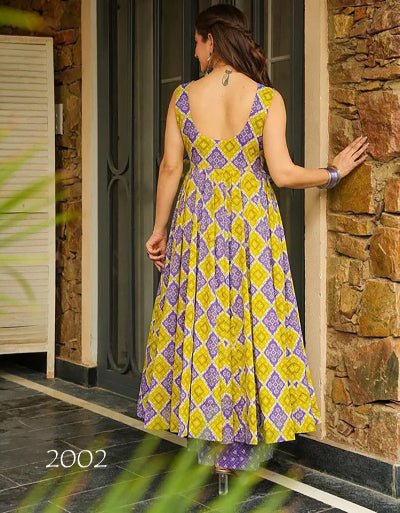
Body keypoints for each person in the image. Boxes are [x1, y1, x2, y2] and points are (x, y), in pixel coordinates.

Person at [136, 3, 369, 495]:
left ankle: (211, 445)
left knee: (204, 321)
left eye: (197, 42)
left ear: (212, 40)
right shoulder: (266, 98)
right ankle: (239, 449)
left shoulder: (182, 98)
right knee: (249, 323)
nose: (194, 52)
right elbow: (282, 173)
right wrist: (332, 172)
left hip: (199, 223)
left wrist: (159, 228)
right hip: (251, 226)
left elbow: (170, 167)